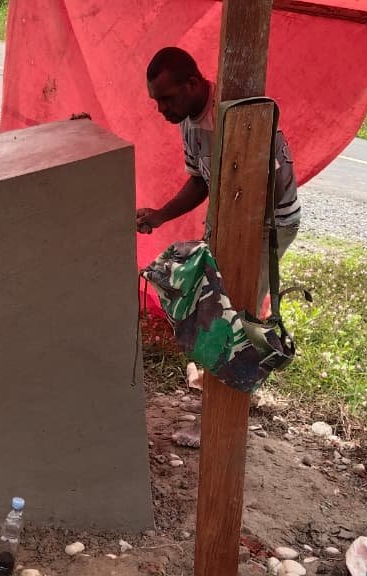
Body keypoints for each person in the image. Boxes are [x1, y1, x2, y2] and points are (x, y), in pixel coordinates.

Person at [137, 46, 301, 448]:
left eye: (166, 99)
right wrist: (160, 216)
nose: (161, 110)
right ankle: (214, 404)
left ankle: (219, 423)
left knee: (233, 320)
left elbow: (270, 187)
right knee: (211, 311)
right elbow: (201, 181)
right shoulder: (189, 121)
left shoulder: (237, 116)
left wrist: (233, 231)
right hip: (229, 223)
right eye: (156, 101)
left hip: (268, 226)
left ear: (193, 84)